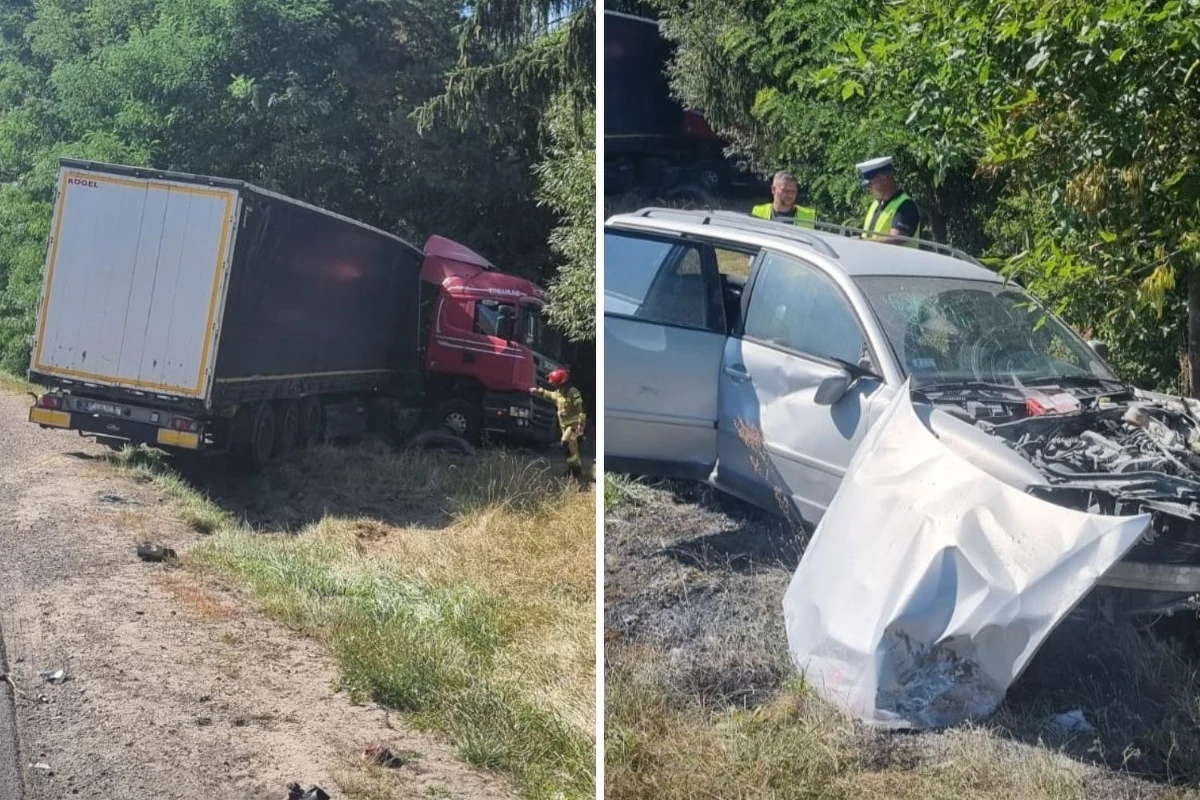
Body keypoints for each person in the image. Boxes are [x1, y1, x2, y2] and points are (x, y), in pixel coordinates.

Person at [530, 368, 587, 481]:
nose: (555, 387)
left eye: (556, 384)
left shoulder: (573, 392)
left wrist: (581, 424)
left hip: (574, 426)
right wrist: (537, 391)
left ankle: (575, 471)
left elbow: (581, 409)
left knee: (565, 443)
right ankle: (575, 470)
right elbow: (549, 394)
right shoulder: (558, 393)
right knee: (572, 449)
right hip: (564, 427)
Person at [855, 156, 921, 246]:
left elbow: (896, 239)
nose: (869, 188)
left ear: (884, 179)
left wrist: (863, 241)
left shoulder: (906, 206)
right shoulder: (876, 204)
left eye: (870, 184)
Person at [751, 171, 816, 226]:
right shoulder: (758, 212)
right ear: (773, 189)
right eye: (786, 191)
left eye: (793, 191)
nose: (790, 195)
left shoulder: (809, 216)